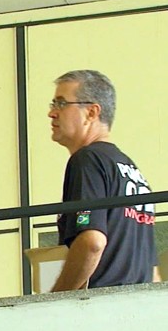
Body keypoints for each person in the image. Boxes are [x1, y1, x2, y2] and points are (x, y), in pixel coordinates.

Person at [48, 69, 159, 292]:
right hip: (140, 310)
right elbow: (153, 270)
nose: (52, 113)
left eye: (61, 103)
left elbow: (92, 243)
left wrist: (55, 300)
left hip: (102, 309)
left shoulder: (87, 160)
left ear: (91, 112)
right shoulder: (132, 172)